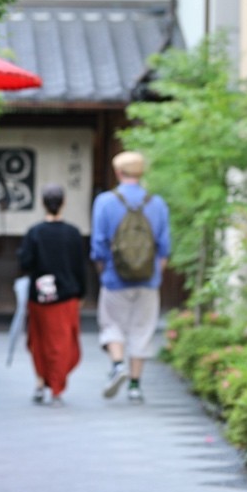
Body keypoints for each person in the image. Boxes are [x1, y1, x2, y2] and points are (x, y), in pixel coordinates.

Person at [90, 151, 170, 403]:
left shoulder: (105, 201)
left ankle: (117, 364)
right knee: (142, 330)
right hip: (148, 279)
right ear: (141, 172)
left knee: (112, 324)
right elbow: (164, 247)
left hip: (115, 277)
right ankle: (135, 385)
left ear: (118, 172)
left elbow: (99, 245)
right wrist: (155, 274)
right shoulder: (156, 203)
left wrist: (104, 272)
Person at [17, 184, 87, 406]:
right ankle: (56, 387)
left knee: (39, 341)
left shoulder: (35, 232)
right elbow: (80, 267)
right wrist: (82, 293)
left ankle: (40, 382)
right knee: (62, 343)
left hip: (39, 296)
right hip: (67, 296)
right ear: (64, 203)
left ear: (42, 203)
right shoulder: (73, 233)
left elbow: (24, 262)